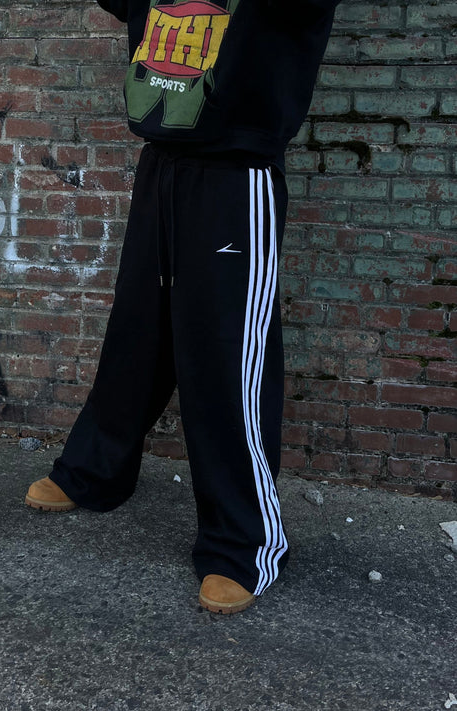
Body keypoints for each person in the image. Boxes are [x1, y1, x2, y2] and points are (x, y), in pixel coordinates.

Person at [26, 0, 342, 614]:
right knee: (136, 334)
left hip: (237, 169)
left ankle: (243, 544)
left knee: (226, 356)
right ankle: (94, 472)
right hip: (163, 158)